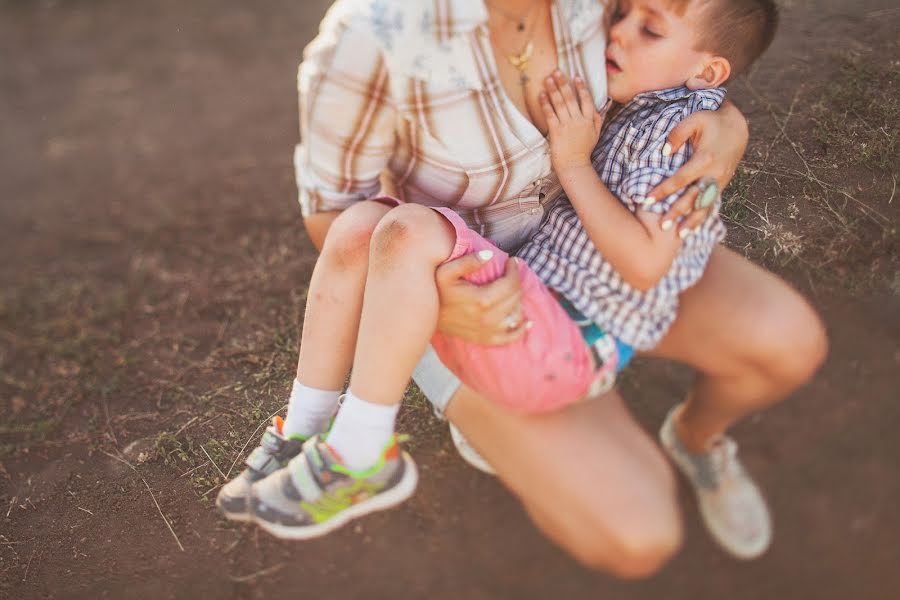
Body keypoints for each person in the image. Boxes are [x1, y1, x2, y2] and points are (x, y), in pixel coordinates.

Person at [218, 0, 827, 578]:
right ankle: (332, 436)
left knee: (788, 340)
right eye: (625, 20)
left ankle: (695, 440)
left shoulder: (604, 11)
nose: (618, 30)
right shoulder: (374, 33)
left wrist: (724, 118)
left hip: (587, 254)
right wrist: (442, 305)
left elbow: (695, 33)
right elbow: (340, 221)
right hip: (445, 268)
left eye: (635, 22)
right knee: (636, 534)